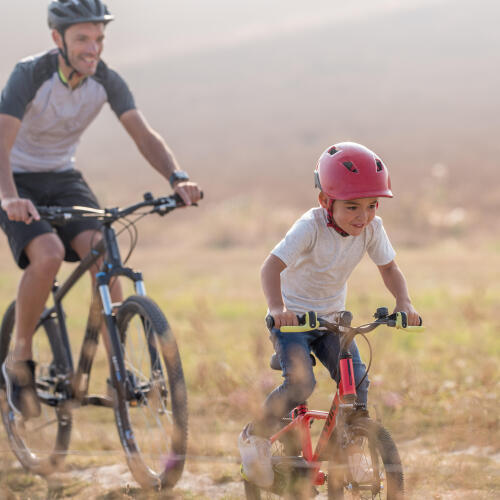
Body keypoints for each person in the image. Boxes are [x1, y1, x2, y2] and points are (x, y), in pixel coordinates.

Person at [0, 0, 201, 420]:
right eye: (82, 39)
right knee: (49, 254)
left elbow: (143, 134)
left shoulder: (105, 80)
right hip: (14, 177)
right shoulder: (30, 75)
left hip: (62, 176)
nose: (93, 49)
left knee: (105, 253)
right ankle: (17, 360)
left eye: (99, 39)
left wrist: (176, 177)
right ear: (58, 40)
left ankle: (118, 372)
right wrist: (8, 197)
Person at [238, 141, 420, 487]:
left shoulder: (371, 229)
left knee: (358, 384)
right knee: (301, 383)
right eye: (352, 207)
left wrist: (404, 302)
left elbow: (390, 268)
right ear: (325, 201)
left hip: (333, 320)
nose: (363, 216)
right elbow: (270, 267)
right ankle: (255, 435)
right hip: (295, 322)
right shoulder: (310, 227)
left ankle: (350, 449)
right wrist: (278, 309)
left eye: (371, 206)